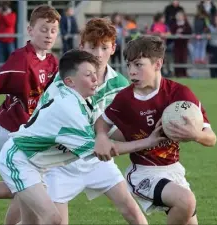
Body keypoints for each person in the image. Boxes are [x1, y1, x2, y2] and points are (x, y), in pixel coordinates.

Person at [0, 49, 164, 225]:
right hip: (18, 160)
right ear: (70, 81)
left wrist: (147, 129)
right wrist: (148, 141)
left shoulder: (83, 99)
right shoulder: (69, 109)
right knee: (52, 219)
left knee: (32, 222)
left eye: (95, 74)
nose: (95, 79)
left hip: (38, 165)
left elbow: (109, 131)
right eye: (88, 75)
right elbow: (105, 149)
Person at [94, 35, 217, 225]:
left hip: (174, 170)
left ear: (157, 64)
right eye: (129, 66)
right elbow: (102, 122)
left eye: (138, 65)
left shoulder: (180, 94)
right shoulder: (125, 99)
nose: (132, 72)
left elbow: (211, 138)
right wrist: (101, 136)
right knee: (187, 200)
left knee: (187, 209)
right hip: (144, 172)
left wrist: (196, 135)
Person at [41, 18, 149, 225]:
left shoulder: (121, 85)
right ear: (82, 47)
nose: (98, 54)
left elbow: (119, 128)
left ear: (113, 48)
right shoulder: (65, 79)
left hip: (97, 161)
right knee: (55, 221)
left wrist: (144, 129)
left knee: (132, 211)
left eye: (104, 47)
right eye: (92, 47)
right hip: (60, 161)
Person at [0, 4, 60, 225]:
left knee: (23, 189)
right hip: (9, 130)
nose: (49, 35)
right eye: (43, 29)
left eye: (53, 30)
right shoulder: (21, 59)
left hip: (28, 133)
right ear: (30, 31)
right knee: (28, 187)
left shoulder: (52, 62)